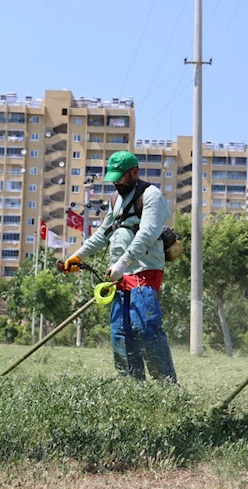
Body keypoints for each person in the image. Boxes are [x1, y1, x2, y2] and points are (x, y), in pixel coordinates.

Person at [63, 151, 177, 382]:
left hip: (144, 270)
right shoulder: (115, 201)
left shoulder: (150, 195)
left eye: (120, 177)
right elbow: (102, 235)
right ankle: (131, 384)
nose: (116, 182)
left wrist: (122, 263)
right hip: (119, 275)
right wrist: (77, 255)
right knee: (120, 331)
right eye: (113, 178)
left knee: (144, 326)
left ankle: (165, 384)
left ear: (134, 172)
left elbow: (147, 233)